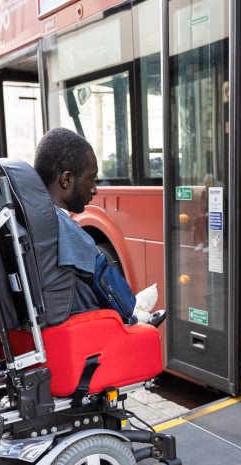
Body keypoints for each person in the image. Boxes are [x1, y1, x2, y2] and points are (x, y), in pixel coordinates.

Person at [33, 127, 157, 322]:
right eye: (90, 178)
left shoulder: (31, 221)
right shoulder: (63, 229)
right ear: (67, 180)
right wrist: (135, 314)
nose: (94, 189)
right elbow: (115, 293)